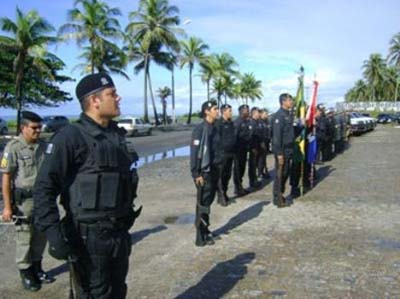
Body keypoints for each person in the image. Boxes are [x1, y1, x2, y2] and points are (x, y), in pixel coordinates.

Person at [33, 73, 141, 298]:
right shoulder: (69, 137)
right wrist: (54, 235)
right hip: (88, 239)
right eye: (112, 94)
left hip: (118, 233)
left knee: (118, 291)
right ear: (95, 101)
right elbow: (44, 189)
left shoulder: (115, 135)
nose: (118, 98)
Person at [1, 111, 55, 292]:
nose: (38, 131)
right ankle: (25, 272)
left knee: (41, 234)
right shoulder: (13, 148)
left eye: (40, 127)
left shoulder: (44, 146)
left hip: (43, 199)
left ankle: (37, 268)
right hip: (24, 201)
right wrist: (7, 207)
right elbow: (6, 178)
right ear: (23, 128)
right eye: (34, 128)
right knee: (24, 236)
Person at [190, 100, 222, 246]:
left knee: (208, 202)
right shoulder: (200, 129)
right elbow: (195, 152)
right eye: (215, 109)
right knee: (202, 204)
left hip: (214, 171)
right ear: (207, 111)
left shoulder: (214, 127)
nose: (217, 111)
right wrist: (196, 174)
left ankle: (205, 229)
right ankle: (200, 236)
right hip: (204, 172)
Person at [271, 93, 295, 207]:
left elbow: (290, 133)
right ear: (283, 102)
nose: (292, 102)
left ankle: (281, 193)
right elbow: (276, 137)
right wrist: (279, 154)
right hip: (282, 150)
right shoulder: (279, 116)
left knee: (286, 173)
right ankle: (277, 197)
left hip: (289, 149)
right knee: (280, 174)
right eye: (290, 100)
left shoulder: (288, 115)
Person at [216, 104, 236, 206]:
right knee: (220, 175)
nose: (231, 113)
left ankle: (225, 191)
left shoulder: (231, 123)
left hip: (230, 153)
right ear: (224, 112)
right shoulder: (219, 124)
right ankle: (220, 195)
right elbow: (217, 140)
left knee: (227, 175)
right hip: (222, 154)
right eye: (229, 111)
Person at [233, 104, 252, 196]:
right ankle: (238, 188)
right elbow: (234, 137)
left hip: (244, 149)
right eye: (246, 110)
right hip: (238, 150)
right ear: (241, 111)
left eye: (248, 110)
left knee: (242, 169)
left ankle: (240, 187)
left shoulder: (246, 122)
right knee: (238, 169)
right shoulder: (238, 122)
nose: (248, 111)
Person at [258, 109, 271, 179]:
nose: (267, 115)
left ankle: (263, 171)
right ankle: (260, 173)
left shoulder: (267, 122)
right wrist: (261, 142)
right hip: (261, 143)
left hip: (266, 142)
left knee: (264, 158)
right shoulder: (260, 122)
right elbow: (260, 134)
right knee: (261, 159)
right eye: (265, 114)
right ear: (261, 114)